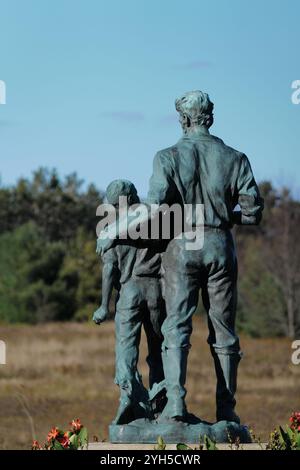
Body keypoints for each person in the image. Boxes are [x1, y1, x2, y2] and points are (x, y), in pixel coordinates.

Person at [93, 179, 166, 424]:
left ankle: (129, 398)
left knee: (126, 350)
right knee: (159, 349)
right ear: (133, 196)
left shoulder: (111, 231)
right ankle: (161, 401)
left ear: (114, 204)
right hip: (157, 290)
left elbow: (109, 270)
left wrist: (105, 305)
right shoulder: (155, 221)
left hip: (129, 292)